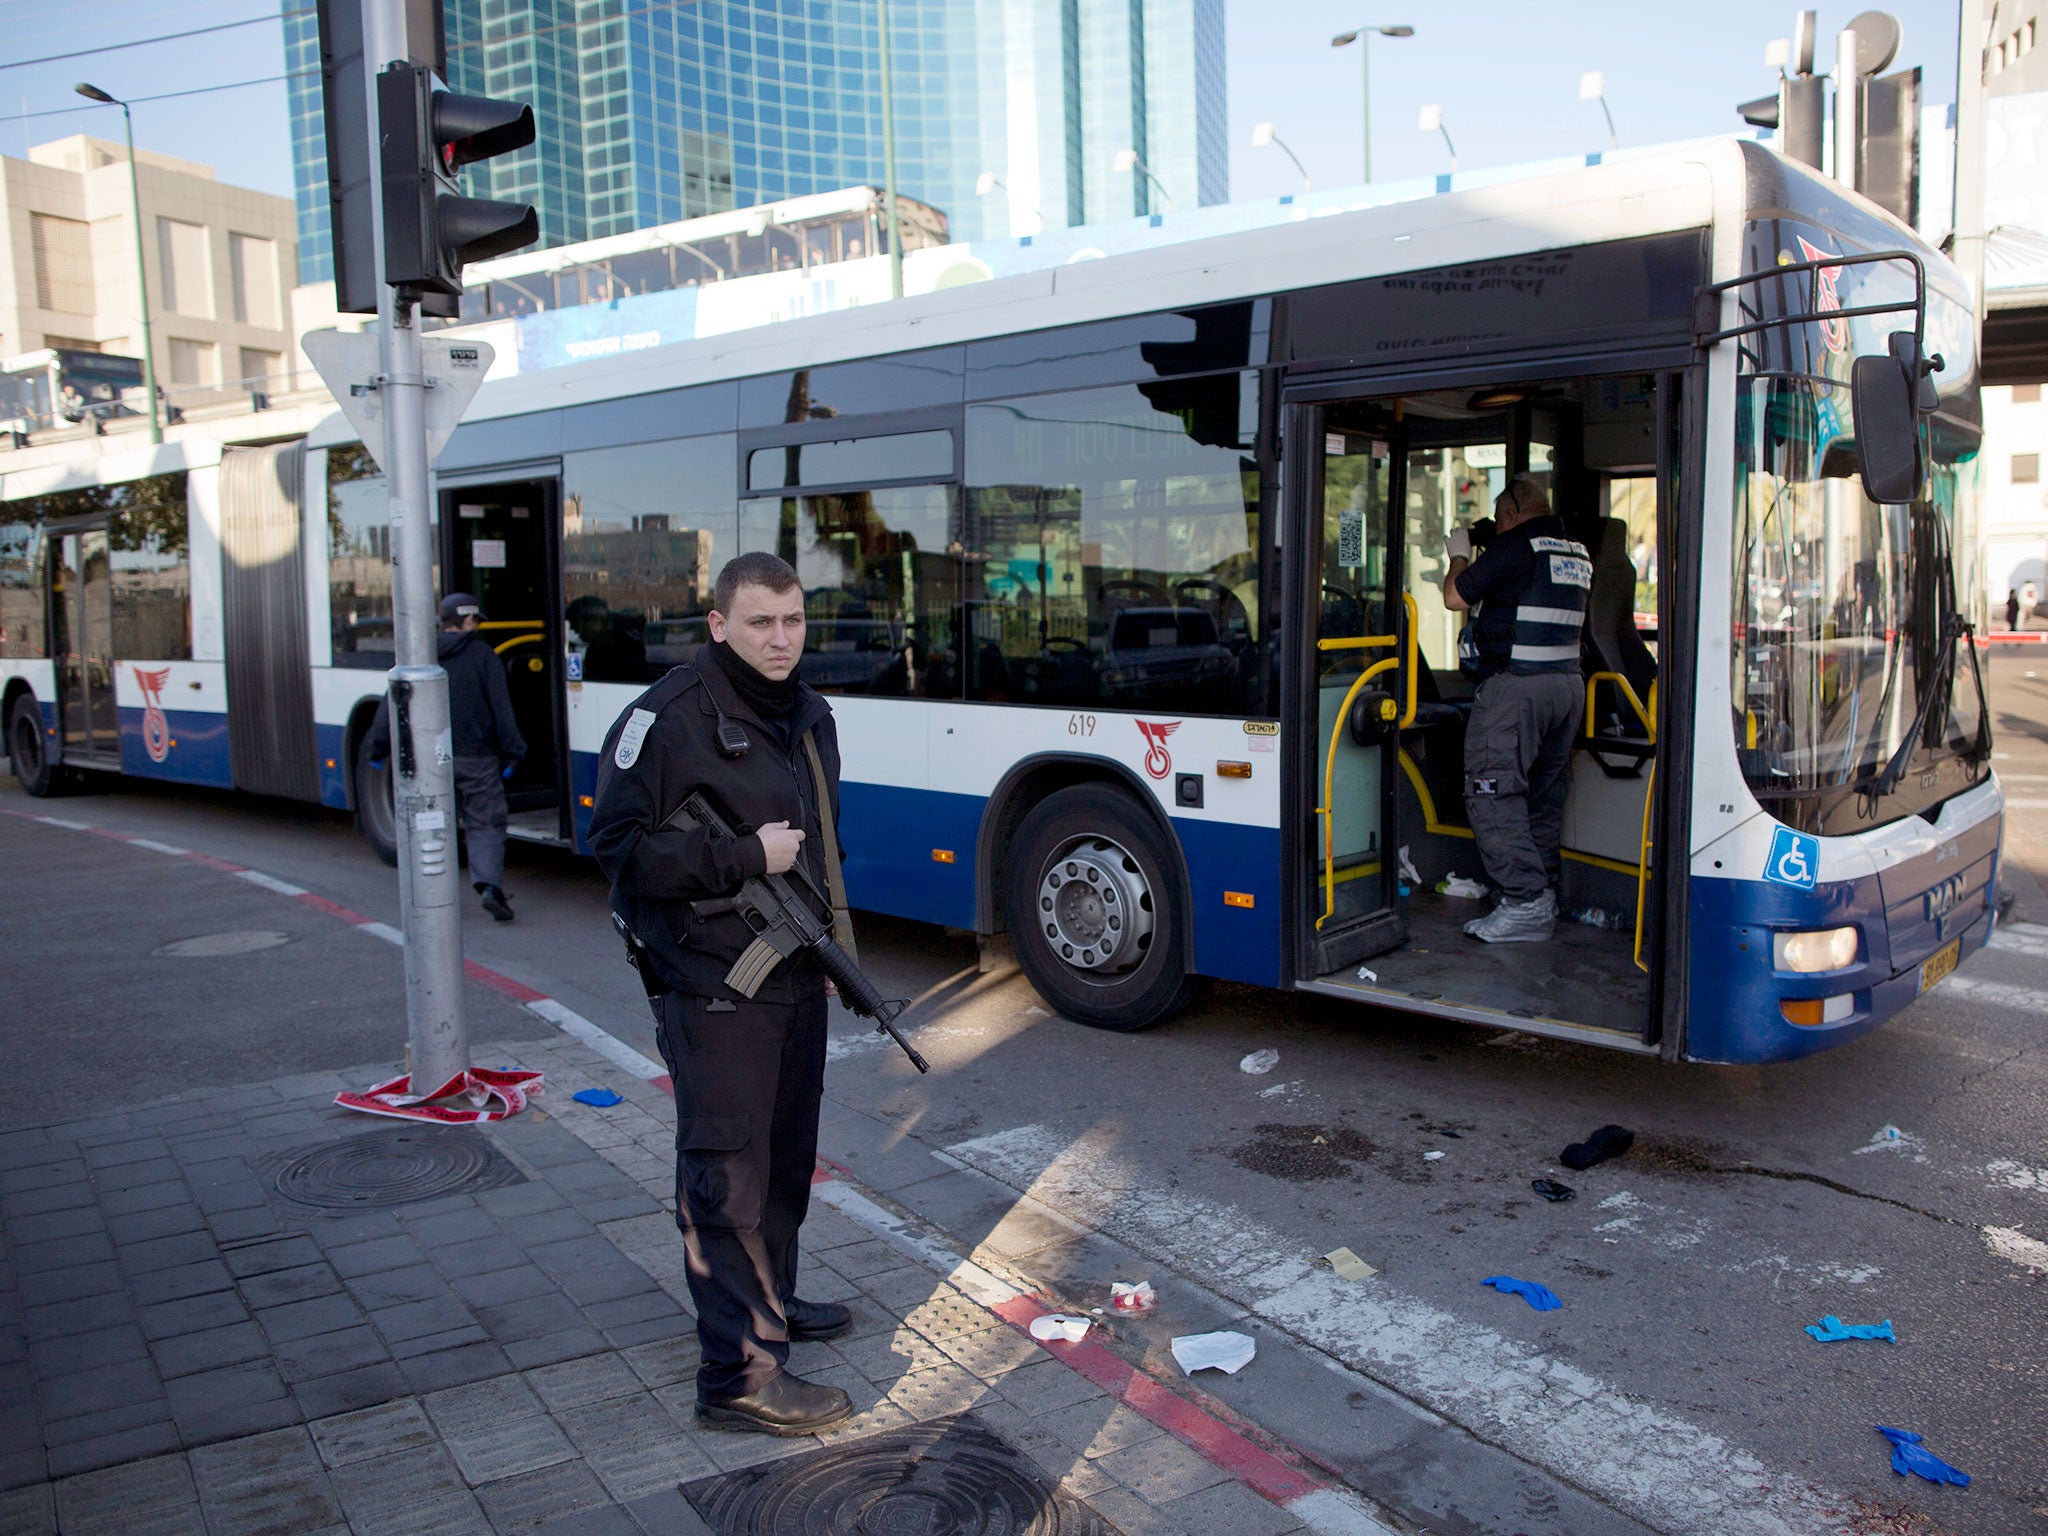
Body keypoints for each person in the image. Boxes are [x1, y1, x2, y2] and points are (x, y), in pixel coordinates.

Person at [586, 551, 856, 1437]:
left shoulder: (807, 713)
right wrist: (742, 857)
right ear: (717, 625)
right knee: (727, 1175)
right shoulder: (663, 721)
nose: (780, 640)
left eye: (793, 621)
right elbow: (619, 853)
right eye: (760, 623)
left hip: (793, 978)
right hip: (713, 986)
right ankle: (737, 1375)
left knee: (783, 1164)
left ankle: (767, 1308)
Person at [1442, 477, 1591, 943]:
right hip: (1567, 687)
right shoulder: (1575, 550)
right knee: (1540, 798)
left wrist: (1460, 553)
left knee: (1492, 792)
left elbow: (1454, 597)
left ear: (1508, 515)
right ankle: (1541, 894)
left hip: (1516, 689)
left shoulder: (1515, 547)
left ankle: (1524, 903)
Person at [366, 592, 528, 921]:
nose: (478, 627)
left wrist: (376, 749)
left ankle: (431, 895)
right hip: (478, 759)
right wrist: (514, 753)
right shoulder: (483, 656)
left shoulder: (417, 657)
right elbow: (502, 711)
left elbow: (391, 707)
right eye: (476, 621)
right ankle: (488, 887)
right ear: (467, 620)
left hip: (429, 762)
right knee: (485, 822)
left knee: (431, 824)